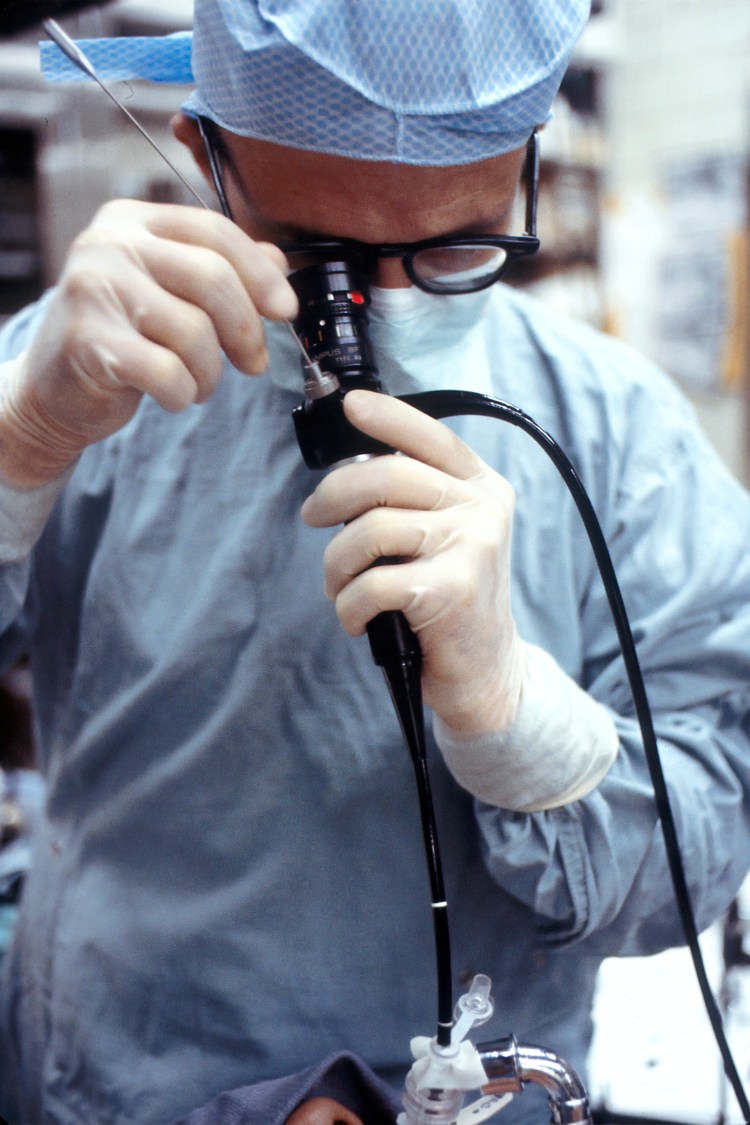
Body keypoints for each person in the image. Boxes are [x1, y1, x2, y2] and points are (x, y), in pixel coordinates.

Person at [0, 0, 749, 1121]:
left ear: (528, 165)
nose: (382, 319)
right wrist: (21, 448)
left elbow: (710, 841)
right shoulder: (80, 371)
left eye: (455, 244)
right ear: (204, 155)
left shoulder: (619, 438)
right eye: (319, 255)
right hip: (126, 1081)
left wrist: (523, 727)